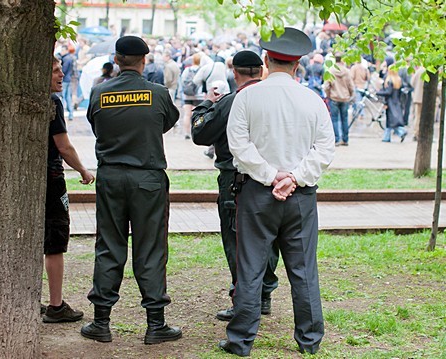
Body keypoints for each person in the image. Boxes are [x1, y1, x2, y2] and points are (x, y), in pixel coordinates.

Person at [219, 27, 335, 356]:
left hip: (257, 193)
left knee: (250, 267)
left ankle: (240, 340)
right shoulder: (312, 101)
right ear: (298, 64)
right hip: (300, 197)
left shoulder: (247, 98)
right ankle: (310, 340)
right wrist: (294, 178)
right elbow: (325, 149)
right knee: (303, 270)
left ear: (267, 60)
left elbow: (238, 146)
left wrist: (271, 176)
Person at [81, 36, 182, 344]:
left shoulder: (99, 92)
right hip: (147, 179)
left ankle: (101, 322)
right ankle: (155, 324)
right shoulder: (158, 93)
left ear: (117, 58)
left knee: (109, 245)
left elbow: (96, 126)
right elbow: (166, 123)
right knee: (150, 248)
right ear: (143, 60)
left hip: (110, 177)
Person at [191, 50, 280, 323]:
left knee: (237, 241)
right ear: (261, 69)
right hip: (275, 177)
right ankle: (263, 294)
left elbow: (200, 133)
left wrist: (207, 104)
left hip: (236, 180)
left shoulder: (233, 101)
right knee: (269, 239)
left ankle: (243, 298)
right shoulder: (276, 98)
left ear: (234, 73)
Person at [43, 56, 95, 323]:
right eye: (55, 71)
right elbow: (63, 146)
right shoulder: (51, 102)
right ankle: (55, 305)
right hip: (51, 179)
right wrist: (84, 170)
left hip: (32, 180)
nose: (62, 74)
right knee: (54, 240)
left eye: (62, 69)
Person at [324, 53, 355, 146]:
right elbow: (351, 86)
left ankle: (336, 139)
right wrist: (350, 95)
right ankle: (345, 139)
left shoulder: (331, 71)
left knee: (334, 119)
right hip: (345, 98)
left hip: (334, 97)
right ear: (342, 59)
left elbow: (326, 86)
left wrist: (328, 95)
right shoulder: (347, 71)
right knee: (344, 119)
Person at [377, 66, 408, 142]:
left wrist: (378, 92)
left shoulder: (390, 81)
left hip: (390, 102)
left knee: (391, 121)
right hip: (396, 102)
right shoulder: (398, 80)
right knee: (392, 120)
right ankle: (387, 137)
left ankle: (400, 132)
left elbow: (388, 92)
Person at [59, 45, 76, 121]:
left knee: (62, 97)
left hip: (64, 80)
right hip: (68, 79)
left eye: (62, 50)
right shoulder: (70, 58)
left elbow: (64, 70)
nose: (61, 52)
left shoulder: (66, 59)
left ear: (66, 50)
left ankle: (61, 114)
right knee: (68, 97)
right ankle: (71, 114)